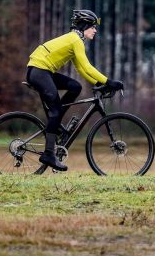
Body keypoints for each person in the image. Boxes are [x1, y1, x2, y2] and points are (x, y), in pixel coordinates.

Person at [26, 9, 124, 171]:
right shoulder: (75, 40)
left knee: (75, 86)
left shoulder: (75, 40)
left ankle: (56, 124)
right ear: (85, 26)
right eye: (92, 27)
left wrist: (99, 84)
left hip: (40, 71)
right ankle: (49, 154)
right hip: (39, 71)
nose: (95, 30)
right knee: (56, 110)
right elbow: (86, 66)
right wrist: (108, 81)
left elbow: (80, 68)